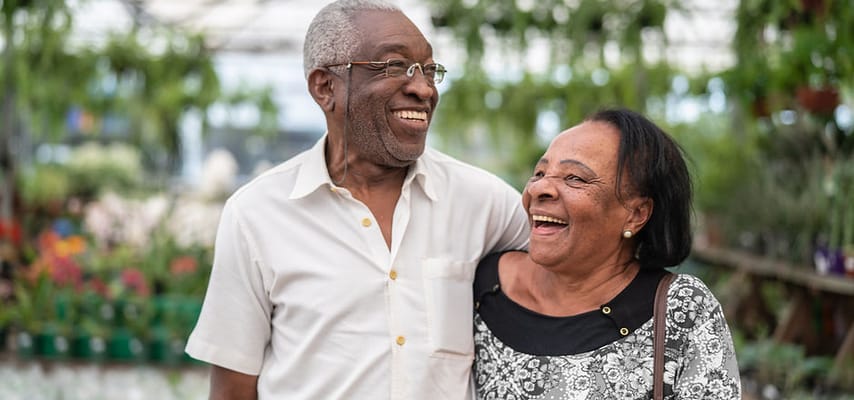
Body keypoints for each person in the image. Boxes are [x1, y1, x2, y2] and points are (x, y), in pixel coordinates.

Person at [184, 1, 530, 399]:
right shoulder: (257, 214)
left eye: (430, 71)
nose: (423, 88)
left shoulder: (486, 204)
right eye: (394, 66)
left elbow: (578, 276)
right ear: (325, 87)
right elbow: (232, 388)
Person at [472, 108, 741, 399]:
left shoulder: (682, 309)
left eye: (575, 177)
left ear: (636, 214)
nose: (539, 188)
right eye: (539, 172)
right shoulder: (483, 287)